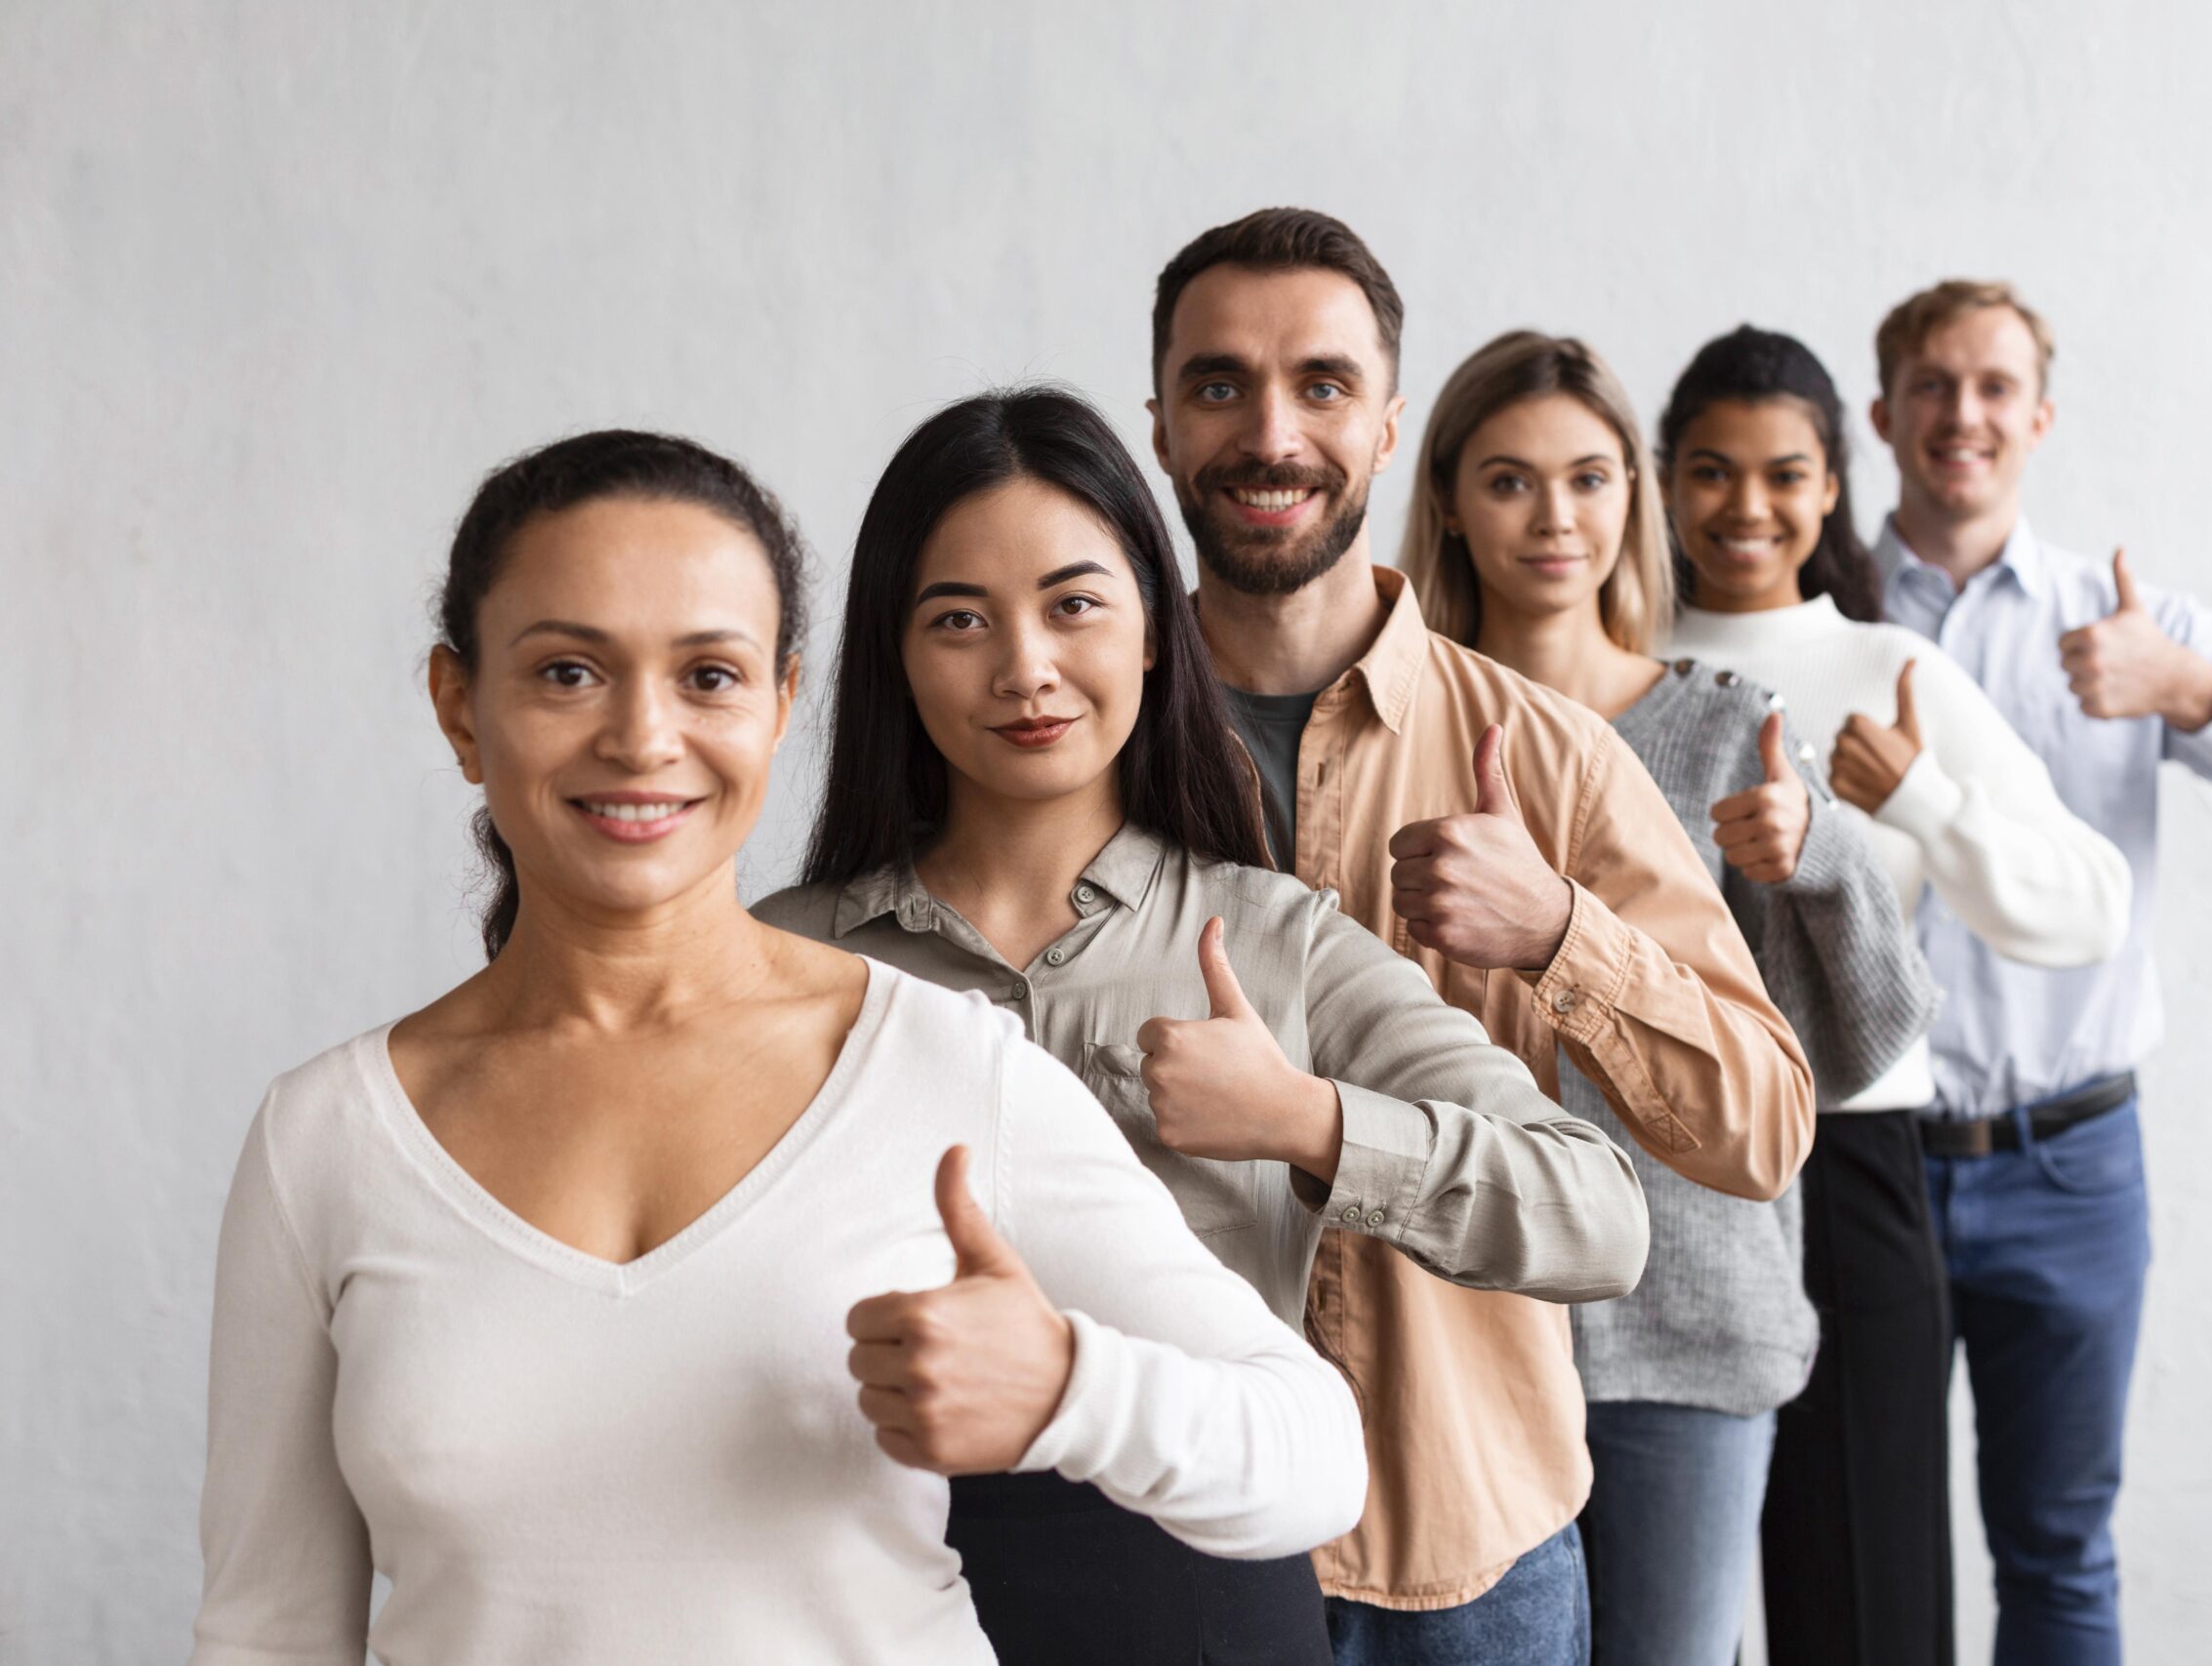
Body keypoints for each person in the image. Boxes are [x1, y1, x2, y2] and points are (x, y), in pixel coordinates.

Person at [187, 430, 1367, 1666]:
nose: (643, 738)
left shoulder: (943, 1071)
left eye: (708, 676)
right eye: (568, 673)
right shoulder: (327, 1138)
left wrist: (1071, 1389)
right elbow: (266, 1631)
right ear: (459, 708)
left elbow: (1313, 1459)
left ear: (780, 705)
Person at [755, 385, 1650, 1663]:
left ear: (1159, 634)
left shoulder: (1277, 937)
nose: (1025, 667)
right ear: (893, 651)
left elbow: (1601, 1213)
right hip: (846, 1593)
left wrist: (1309, 1119)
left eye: (1074, 604)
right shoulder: (783, 954)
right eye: (960, 618)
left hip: (1201, 1600)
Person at [1147, 206, 1817, 1664]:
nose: (1271, 432)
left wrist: (1564, 931)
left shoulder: (1552, 755)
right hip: (1170, 1526)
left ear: (1389, 425)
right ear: (1158, 422)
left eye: (1321, 385)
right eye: (1219, 385)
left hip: (1472, 1539)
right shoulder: (1073, 735)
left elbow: (1760, 1126)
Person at [1859, 281, 2212, 1665]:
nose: (1961, 414)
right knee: (1857, 1551)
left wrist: (2191, 689)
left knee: (2058, 1553)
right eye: (1931, 384)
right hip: (1859, 1170)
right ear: (1881, 412)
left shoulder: (2127, 621)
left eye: (1991, 386)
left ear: (2038, 415)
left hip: (2070, 1166)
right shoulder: (1818, 611)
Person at [1399, 328, 1940, 1666]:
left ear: (1629, 498)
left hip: (1686, 1330)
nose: (1555, 516)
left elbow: (1850, 1051)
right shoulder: (1388, 723)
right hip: (1446, 1322)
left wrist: (1821, 860)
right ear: (1453, 502)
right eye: (1511, 479)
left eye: (1589, 477)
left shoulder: (1720, 722)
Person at [1657, 324, 2134, 1666]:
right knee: (1662, 1604)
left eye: (1783, 473)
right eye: (1710, 469)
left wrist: (1914, 796)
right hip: (1650, 1168)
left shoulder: (1892, 673)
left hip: (1853, 1160)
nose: (1747, 506)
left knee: (1863, 1596)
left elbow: (2089, 902)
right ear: (1664, 480)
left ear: (1829, 487)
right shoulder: (1607, 658)